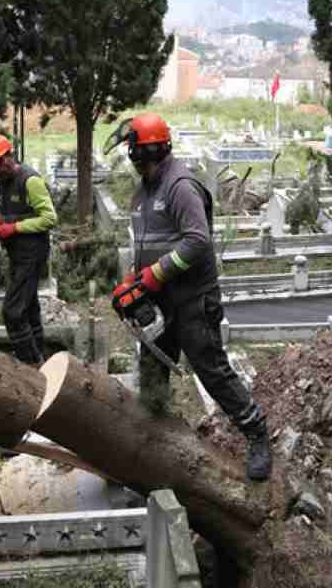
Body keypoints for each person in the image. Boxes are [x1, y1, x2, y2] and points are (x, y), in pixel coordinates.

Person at [106, 113, 272, 481]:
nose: (131, 158)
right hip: (159, 300)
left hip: (193, 299)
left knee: (211, 370)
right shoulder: (144, 192)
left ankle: (258, 434)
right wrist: (134, 281)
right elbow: (149, 246)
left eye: (132, 150)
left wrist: (153, 275)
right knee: (152, 367)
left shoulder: (180, 186)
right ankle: (152, 437)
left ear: (145, 150)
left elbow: (197, 241)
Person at [0, 134, 57, 366]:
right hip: (16, 254)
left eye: (0, 160)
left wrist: (14, 228)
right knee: (29, 308)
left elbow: (49, 218)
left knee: (13, 312)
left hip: (32, 254)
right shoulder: (3, 181)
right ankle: (42, 359)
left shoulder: (30, 180)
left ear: (10, 154)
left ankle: (30, 363)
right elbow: (10, 211)